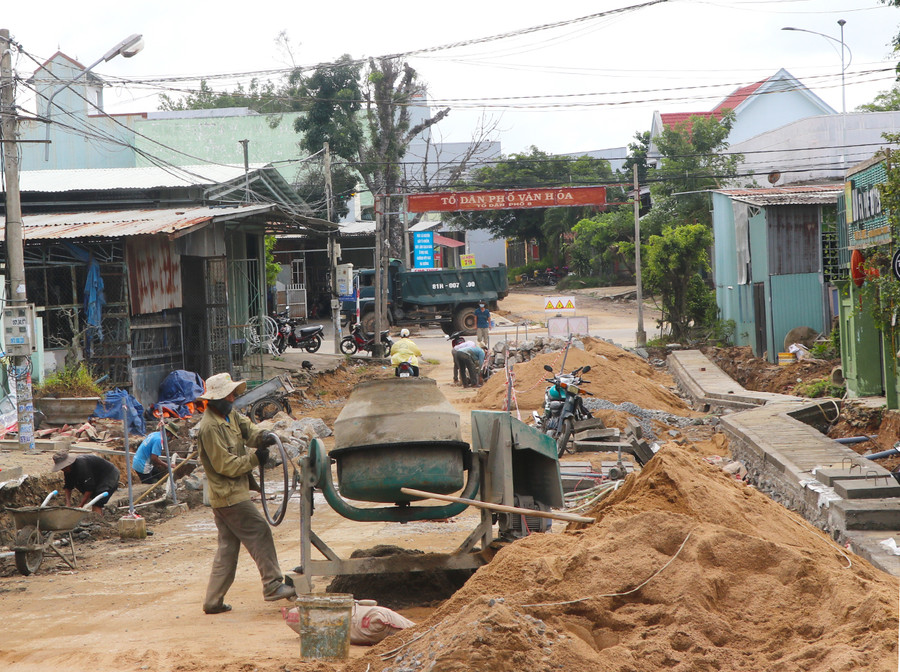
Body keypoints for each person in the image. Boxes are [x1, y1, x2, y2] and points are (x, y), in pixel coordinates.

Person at [197, 372, 294, 615]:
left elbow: (249, 431)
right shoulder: (209, 428)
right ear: (215, 399)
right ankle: (272, 585)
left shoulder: (229, 414)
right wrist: (254, 458)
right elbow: (225, 465)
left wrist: (264, 437)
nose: (233, 398)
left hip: (228, 494)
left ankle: (213, 601)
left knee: (228, 548)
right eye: (228, 395)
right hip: (228, 494)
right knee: (259, 530)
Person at [52, 450, 120, 514]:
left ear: (68, 464)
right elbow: (68, 486)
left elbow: (89, 489)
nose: (63, 470)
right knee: (93, 496)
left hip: (110, 474)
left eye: (64, 467)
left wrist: (81, 506)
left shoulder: (82, 466)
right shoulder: (67, 470)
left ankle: (98, 522)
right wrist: (68, 503)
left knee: (97, 502)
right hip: (96, 476)